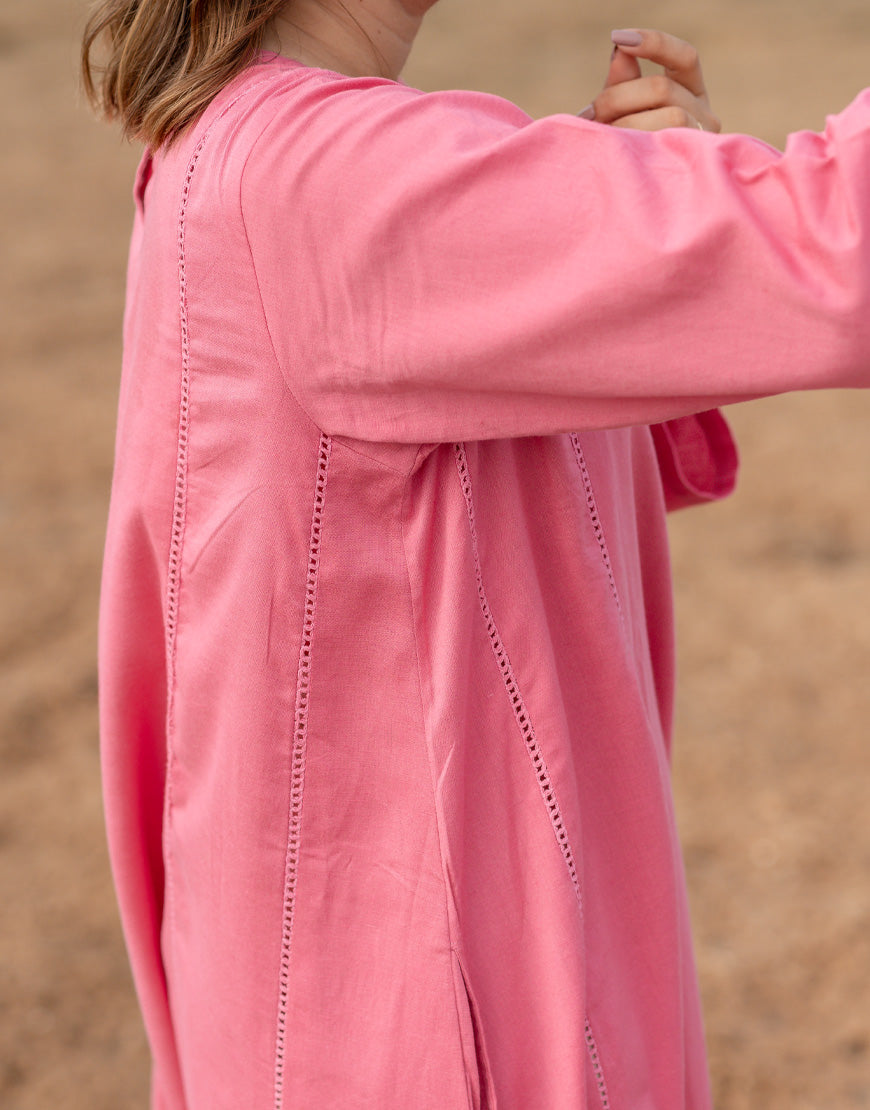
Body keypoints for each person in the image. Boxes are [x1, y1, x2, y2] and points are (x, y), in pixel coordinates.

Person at [82, 1, 870, 1107]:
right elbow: (846, 255)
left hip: (350, 1008)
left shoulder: (253, 145)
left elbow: (442, 514)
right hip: (440, 1030)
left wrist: (616, 230)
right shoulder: (326, 176)